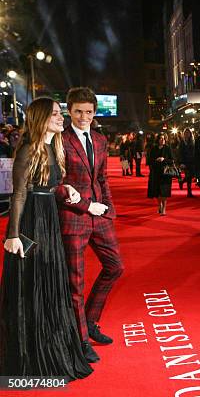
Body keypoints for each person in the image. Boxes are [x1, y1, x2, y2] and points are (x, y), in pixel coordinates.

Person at [0, 97, 93, 379]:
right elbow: (19, 193)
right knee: (34, 286)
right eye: (55, 114)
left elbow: (47, 186)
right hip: (31, 223)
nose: (60, 117)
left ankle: (52, 348)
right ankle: (32, 355)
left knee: (50, 282)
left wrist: (65, 189)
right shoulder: (28, 148)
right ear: (41, 117)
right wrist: (13, 235)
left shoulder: (53, 148)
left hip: (49, 219)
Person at [55, 87, 124, 363]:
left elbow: (103, 178)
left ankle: (91, 320)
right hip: (73, 217)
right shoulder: (59, 140)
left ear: (95, 112)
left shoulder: (99, 139)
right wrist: (85, 204)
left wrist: (108, 208)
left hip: (100, 217)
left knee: (115, 267)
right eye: (78, 112)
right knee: (75, 282)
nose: (84, 116)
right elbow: (55, 185)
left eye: (89, 112)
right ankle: (81, 339)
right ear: (69, 111)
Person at [147, 133, 174, 215]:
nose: (162, 140)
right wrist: (156, 160)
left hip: (166, 173)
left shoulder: (168, 148)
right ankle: (160, 205)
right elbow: (149, 161)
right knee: (157, 191)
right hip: (156, 172)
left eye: (164, 139)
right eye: (161, 138)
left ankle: (164, 208)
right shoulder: (153, 148)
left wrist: (164, 159)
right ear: (158, 140)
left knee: (165, 191)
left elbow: (172, 160)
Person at [178, 128, 196, 197]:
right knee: (188, 176)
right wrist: (181, 162)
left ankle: (182, 182)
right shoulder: (182, 142)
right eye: (186, 133)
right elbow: (180, 153)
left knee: (192, 175)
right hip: (185, 162)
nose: (187, 134)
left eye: (188, 133)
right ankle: (189, 192)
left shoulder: (193, 141)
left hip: (192, 161)